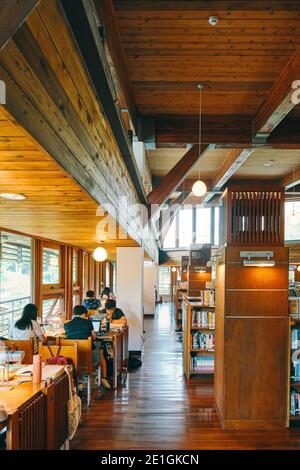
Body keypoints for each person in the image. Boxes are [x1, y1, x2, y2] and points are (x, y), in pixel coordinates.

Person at [64, 305, 110, 389]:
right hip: (90, 357)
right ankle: (103, 378)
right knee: (101, 351)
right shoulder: (88, 322)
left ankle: (80, 381)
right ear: (84, 314)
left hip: (74, 358)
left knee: (81, 355)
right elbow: (94, 337)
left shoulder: (66, 325)